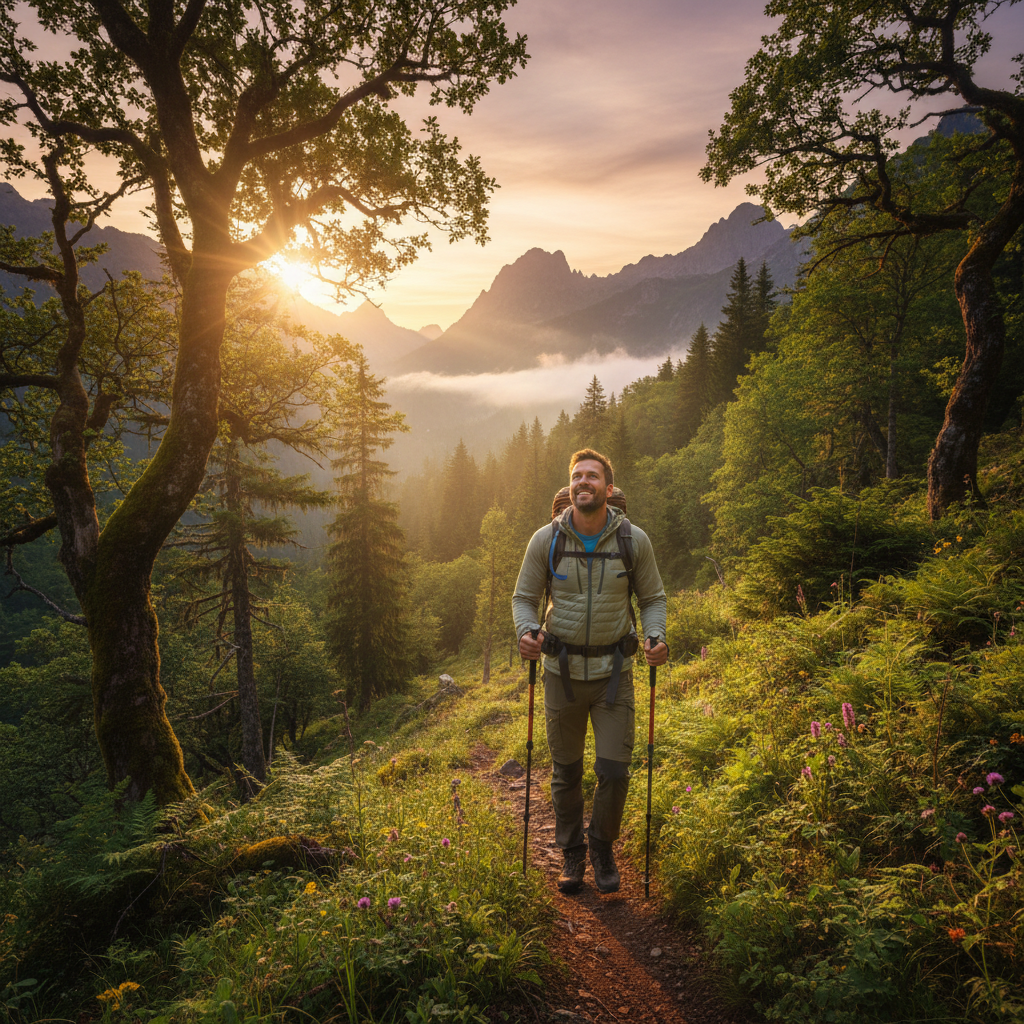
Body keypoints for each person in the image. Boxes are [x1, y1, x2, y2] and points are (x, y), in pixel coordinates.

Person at [512, 448, 668, 894]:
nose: (585, 482)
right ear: (570, 486)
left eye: (593, 476)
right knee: (566, 772)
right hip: (560, 672)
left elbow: (653, 598)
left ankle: (601, 845)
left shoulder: (633, 541)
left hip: (613, 673)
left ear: (608, 488)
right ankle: (572, 854)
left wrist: (655, 636)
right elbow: (524, 597)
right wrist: (527, 630)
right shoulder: (547, 539)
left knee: (614, 771)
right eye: (578, 476)